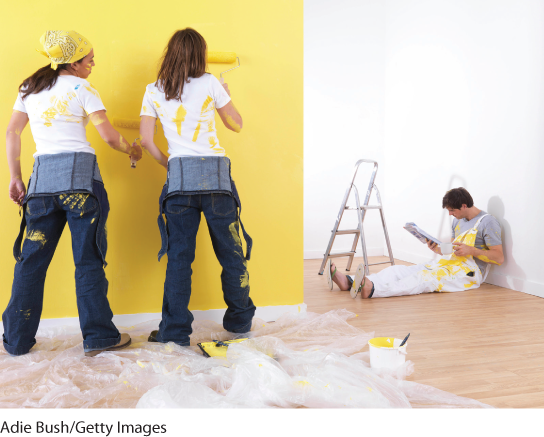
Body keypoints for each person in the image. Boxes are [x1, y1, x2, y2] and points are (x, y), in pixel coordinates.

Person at [2, 30, 142, 356]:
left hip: (41, 185)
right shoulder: (83, 88)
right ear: (74, 63)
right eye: (89, 60)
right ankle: (99, 337)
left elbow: (12, 132)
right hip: (81, 184)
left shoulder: (29, 88)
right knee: (88, 261)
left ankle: (16, 341)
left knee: (30, 264)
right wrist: (133, 152)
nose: (93, 64)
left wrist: (16, 177)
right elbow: (108, 137)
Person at [139, 28, 255, 346]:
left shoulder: (153, 89)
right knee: (231, 255)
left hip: (179, 183)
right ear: (200, 54)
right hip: (216, 179)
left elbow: (147, 140)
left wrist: (172, 164)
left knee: (179, 258)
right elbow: (236, 123)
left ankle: (174, 332)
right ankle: (239, 323)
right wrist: (225, 94)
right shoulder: (211, 83)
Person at [328, 187, 504, 298]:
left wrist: (472, 251)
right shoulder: (457, 220)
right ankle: (349, 281)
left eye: (452, 210)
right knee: (400, 270)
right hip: (448, 264)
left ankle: (373, 289)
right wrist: (438, 249)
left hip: (469, 274)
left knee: (422, 278)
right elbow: (453, 250)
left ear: (464, 206)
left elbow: (499, 258)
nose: (450, 214)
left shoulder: (488, 222)